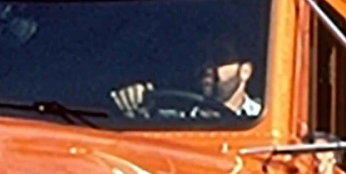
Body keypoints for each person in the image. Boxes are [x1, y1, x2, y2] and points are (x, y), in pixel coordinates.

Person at [109, 40, 262, 120]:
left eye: (220, 57)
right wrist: (132, 103)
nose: (207, 66)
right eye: (202, 57)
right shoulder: (170, 119)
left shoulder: (265, 118)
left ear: (245, 71)